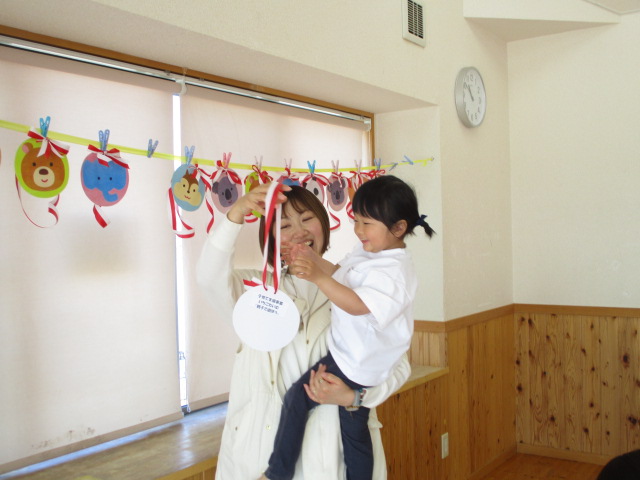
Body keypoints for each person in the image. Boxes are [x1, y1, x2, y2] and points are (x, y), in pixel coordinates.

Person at [196, 182, 412, 480]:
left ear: (324, 224)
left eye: (307, 219)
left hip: (332, 457)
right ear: (271, 238)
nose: (299, 232)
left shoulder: (358, 286)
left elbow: (398, 365)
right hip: (258, 453)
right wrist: (237, 212)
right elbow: (209, 277)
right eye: (285, 225)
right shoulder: (254, 292)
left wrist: (355, 397)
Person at [262, 175, 434, 480]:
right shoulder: (371, 252)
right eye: (356, 220)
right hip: (354, 358)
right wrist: (314, 260)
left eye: (366, 223)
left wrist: (317, 277)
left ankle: (277, 474)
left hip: (356, 362)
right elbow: (342, 274)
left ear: (398, 228)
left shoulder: (394, 272)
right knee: (354, 434)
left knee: (297, 399)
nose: (358, 230)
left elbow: (356, 303)